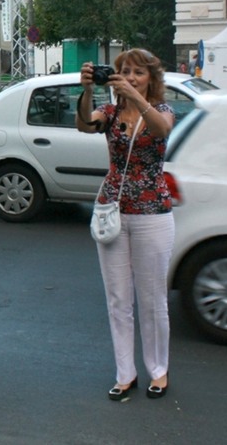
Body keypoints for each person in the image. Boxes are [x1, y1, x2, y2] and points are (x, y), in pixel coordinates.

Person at [76, 49, 175, 402]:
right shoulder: (111, 113)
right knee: (118, 298)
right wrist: (87, 90)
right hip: (113, 210)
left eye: (138, 72)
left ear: (151, 78)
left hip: (153, 212)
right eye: (125, 71)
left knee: (152, 299)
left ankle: (158, 370)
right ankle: (125, 373)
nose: (131, 77)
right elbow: (84, 124)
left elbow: (161, 130)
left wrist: (135, 97)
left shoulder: (162, 110)